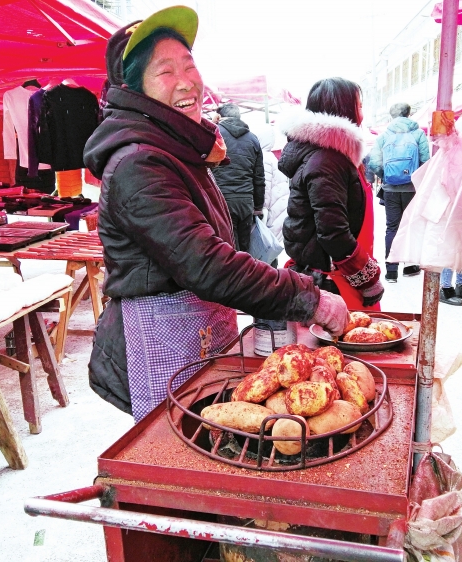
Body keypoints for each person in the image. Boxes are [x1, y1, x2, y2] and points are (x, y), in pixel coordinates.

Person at [83, 7, 350, 422]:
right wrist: (309, 299)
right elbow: (206, 264)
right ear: (133, 90)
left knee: (215, 432)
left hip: (201, 327)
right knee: (175, 453)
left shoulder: (178, 146)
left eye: (189, 65)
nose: (186, 80)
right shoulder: (139, 163)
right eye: (165, 71)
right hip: (164, 336)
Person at [279, 77, 384, 310]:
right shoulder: (327, 161)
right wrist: (367, 278)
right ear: (345, 110)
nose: (361, 113)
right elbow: (332, 232)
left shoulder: (330, 156)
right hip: (333, 281)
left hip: (333, 273)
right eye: (359, 106)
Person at [368, 102, 429, 282]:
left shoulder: (383, 136)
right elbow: (426, 161)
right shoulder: (418, 134)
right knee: (411, 226)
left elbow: (374, 164)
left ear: (392, 116)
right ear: (409, 114)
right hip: (412, 189)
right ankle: (410, 267)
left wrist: (387, 176)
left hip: (390, 189)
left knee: (392, 227)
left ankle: (391, 271)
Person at [211, 103, 265, 253]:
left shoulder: (215, 135)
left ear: (220, 116)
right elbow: (259, 177)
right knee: (245, 249)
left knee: (230, 250)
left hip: (222, 200)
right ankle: (249, 275)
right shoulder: (253, 139)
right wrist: (258, 207)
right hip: (246, 201)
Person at [257, 124, 289, 266]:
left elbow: (265, 193)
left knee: (264, 252)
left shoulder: (263, 159)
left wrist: (260, 214)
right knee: (270, 252)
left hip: (269, 215)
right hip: (278, 212)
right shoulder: (273, 159)